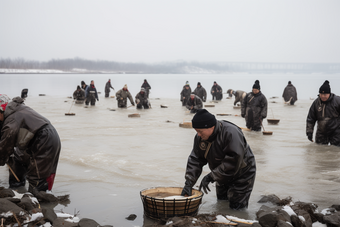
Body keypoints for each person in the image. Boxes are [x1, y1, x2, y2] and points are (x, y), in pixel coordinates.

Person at [181, 109, 256, 210]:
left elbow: (234, 160)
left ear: (211, 127)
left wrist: (211, 176)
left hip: (242, 173)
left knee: (236, 207)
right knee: (221, 202)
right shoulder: (200, 137)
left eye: (200, 131)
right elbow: (196, 159)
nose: (198, 134)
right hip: (221, 173)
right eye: (196, 131)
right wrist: (189, 183)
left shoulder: (231, 133)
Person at [0, 95, 61, 193]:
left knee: (37, 176)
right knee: (17, 159)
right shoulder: (13, 111)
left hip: (45, 138)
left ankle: (39, 201)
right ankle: (17, 189)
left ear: (2, 110)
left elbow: (4, 149)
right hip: (33, 138)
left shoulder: (11, 120)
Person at [306, 80, 340, 146]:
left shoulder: (337, 101)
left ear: (329, 94)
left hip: (336, 132)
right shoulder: (316, 103)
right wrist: (309, 132)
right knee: (320, 152)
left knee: (335, 151)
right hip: (321, 132)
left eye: (325, 94)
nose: (323, 96)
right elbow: (310, 118)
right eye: (321, 94)